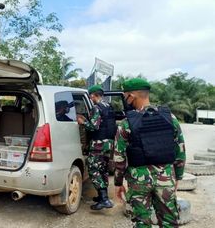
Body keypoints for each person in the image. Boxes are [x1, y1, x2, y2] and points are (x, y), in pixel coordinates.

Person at [114, 78, 186, 227]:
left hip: (138, 180)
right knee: (169, 222)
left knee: (141, 222)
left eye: (125, 95)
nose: (125, 99)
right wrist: (177, 176)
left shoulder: (127, 123)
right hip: (165, 177)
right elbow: (180, 150)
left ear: (131, 96)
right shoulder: (170, 118)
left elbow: (119, 156)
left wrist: (118, 182)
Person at [77, 85, 116, 210]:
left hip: (98, 143)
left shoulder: (96, 108)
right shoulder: (109, 107)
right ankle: (102, 196)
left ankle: (104, 199)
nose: (90, 98)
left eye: (90, 96)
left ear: (94, 95)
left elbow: (94, 127)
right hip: (108, 143)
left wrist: (82, 122)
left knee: (94, 169)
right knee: (103, 169)